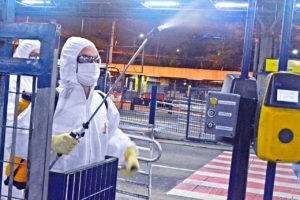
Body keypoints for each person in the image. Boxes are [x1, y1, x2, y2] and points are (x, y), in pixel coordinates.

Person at [51, 36, 139, 173]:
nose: (92, 64)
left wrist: (127, 151)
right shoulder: (52, 100)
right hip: (56, 184)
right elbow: (19, 136)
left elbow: (110, 134)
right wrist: (50, 143)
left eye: (96, 60)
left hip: (92, 184)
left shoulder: (103, 102)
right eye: (85, 59)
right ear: (70, 62)